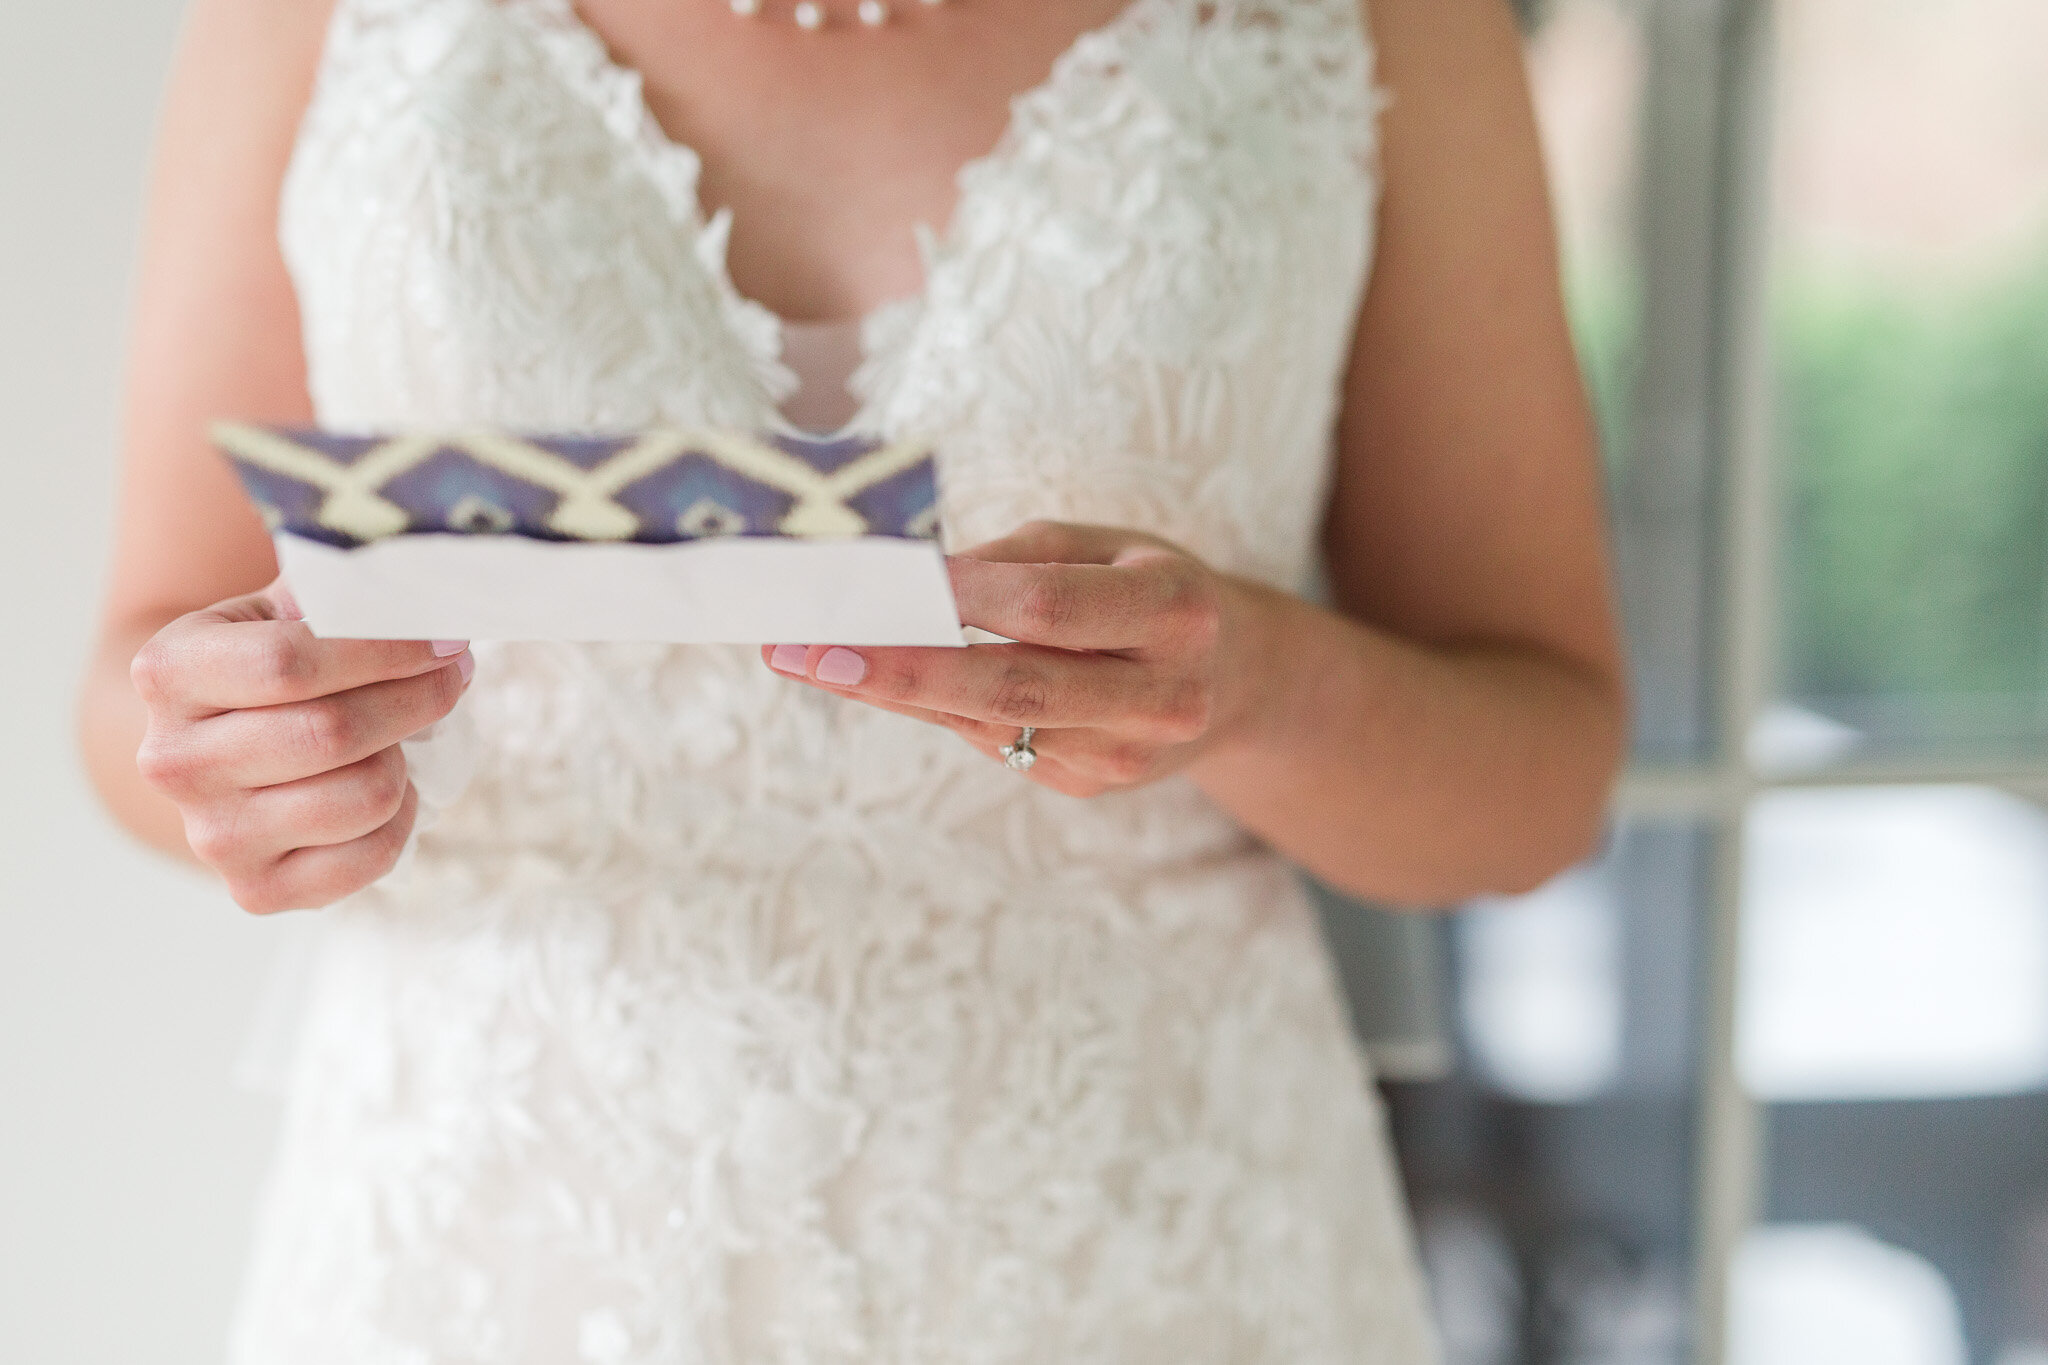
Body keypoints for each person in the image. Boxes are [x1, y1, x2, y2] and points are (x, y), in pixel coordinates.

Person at [78, 0, 1625, 1357]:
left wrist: (1260, 685)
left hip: (1147, 1253)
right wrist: (242, 750)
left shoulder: (1383, 17)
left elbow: (1540, 774)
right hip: (499, 1240)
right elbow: (141, 667)